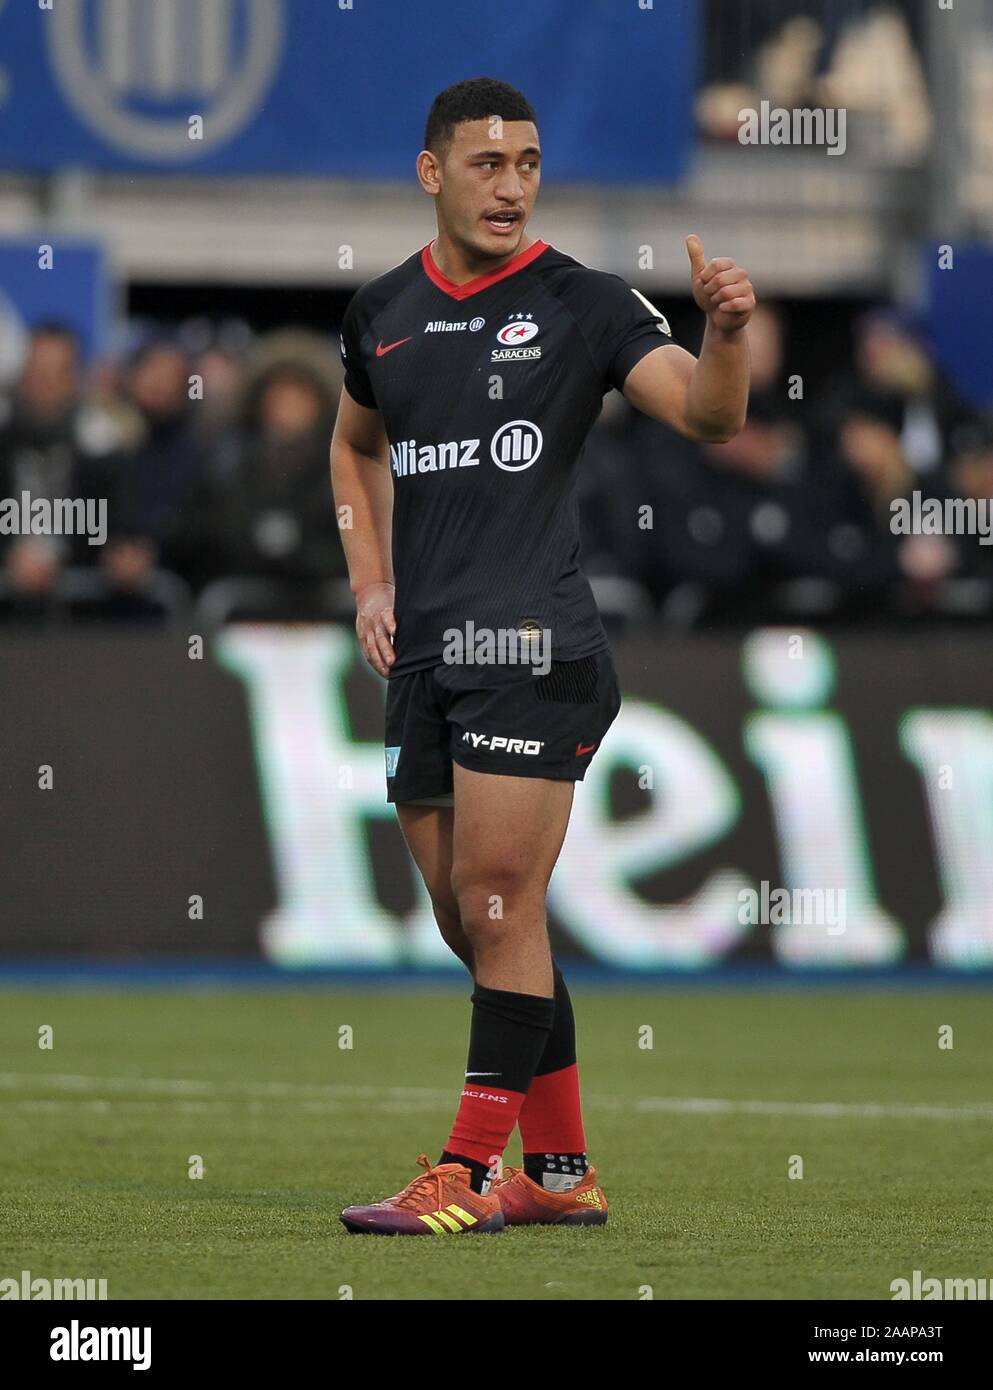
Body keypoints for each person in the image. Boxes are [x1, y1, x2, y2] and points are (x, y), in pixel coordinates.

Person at [331, 77, 754, 1235]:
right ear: (432, 175)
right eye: (487, 163)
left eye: (526, 162)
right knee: (473, 925)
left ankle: (463, 1178)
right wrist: (372, 580)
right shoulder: (380, 312)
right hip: (428, 658)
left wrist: (725, 337)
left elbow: (710, 416)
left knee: (498, 897)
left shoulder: (584, 302)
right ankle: (560, 1176)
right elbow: (353, 445)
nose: (512, 184)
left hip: (537, 647)